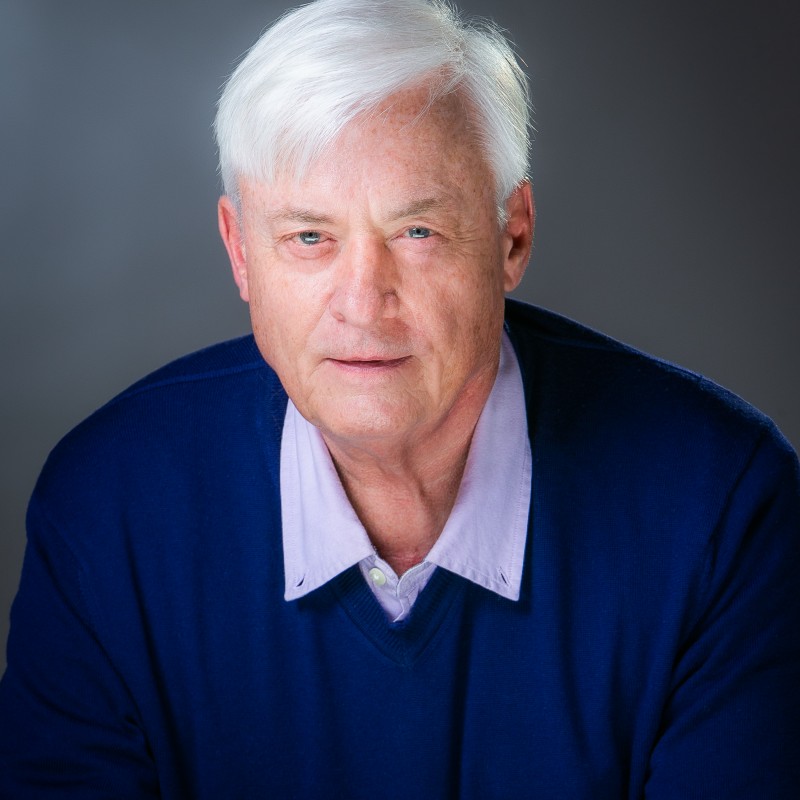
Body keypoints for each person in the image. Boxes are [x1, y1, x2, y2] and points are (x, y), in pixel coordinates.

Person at [1, 0, 798, 796]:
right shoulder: (108, 509)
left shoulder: (723, 508)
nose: (362, 300)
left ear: (511, 235)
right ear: (241, 253)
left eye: (416, 232)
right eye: (309, 237)